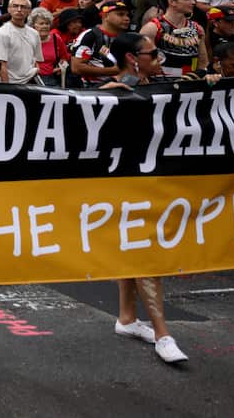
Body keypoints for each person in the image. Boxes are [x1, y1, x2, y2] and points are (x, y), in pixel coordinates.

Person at [98, 32, 188, 364]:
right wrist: (106, 97)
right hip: (125, 189)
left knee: (134, 257)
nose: (159, 58)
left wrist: (211, 83)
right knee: (146, 259)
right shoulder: (111, 92)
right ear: (134, 58)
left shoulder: (157, 85)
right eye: (152, 53)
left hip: (154, 186)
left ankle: (126, 319)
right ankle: (163, 333)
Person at [140, 0, 207, 79]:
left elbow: (203, 62)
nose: (193, 2)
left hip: (191, 84)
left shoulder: (197, 28)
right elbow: (142, 63)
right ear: (172, 2)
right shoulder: (152, 28)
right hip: (161, 85)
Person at [0, 0, 42, 84]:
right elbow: (1, 64)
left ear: (29, 11)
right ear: (8, 9)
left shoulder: (34, 33)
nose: (19, 9)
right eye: (15, 6)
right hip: (11, 83)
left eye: (23, 7)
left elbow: (35, 60)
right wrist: (7, 89)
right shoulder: (2, 33)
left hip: (31, 81)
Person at [29, 8, 70, 87]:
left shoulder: (55, 38)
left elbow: (64, 57)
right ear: (33, 25)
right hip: (31, 79)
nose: (45, 26)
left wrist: (61, 67)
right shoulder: (26, 39)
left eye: (47, 23)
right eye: (41, 23)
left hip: (52, 79)